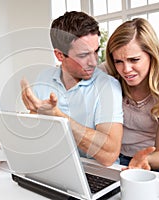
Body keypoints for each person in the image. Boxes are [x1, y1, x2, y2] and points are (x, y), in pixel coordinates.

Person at [21, 11, 123, 166]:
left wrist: (59, 117)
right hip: (57, 164)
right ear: (60, 55)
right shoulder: (43, 79)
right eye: (83, 55)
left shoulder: (108, 87)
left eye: (96, 51)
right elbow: (36, 134)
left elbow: (109, 154)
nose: (94, 62)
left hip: (96, 170)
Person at [105, 18, 159, 177]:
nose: (126, 69)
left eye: (134, 59)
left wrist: (144, 160)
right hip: (125, 159)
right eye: (119, 61)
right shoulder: (112, 79)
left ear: (152, 55)